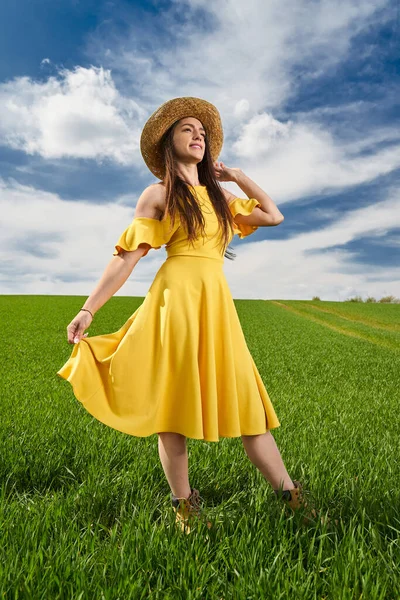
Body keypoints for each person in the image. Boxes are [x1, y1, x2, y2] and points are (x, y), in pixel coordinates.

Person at [57, 97, 316, 534]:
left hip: (216, 305)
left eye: (202, 132)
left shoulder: (221, 197)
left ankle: (291, 496)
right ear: (167, 142)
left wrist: (235, 175)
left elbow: (273, 215)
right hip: (173, 305)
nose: (197, 135)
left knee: (249, 404)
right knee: (171, 409)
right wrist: (88, 308)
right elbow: (126, 258)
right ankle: (185, 509)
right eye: (187, 129)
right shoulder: (158, 194)